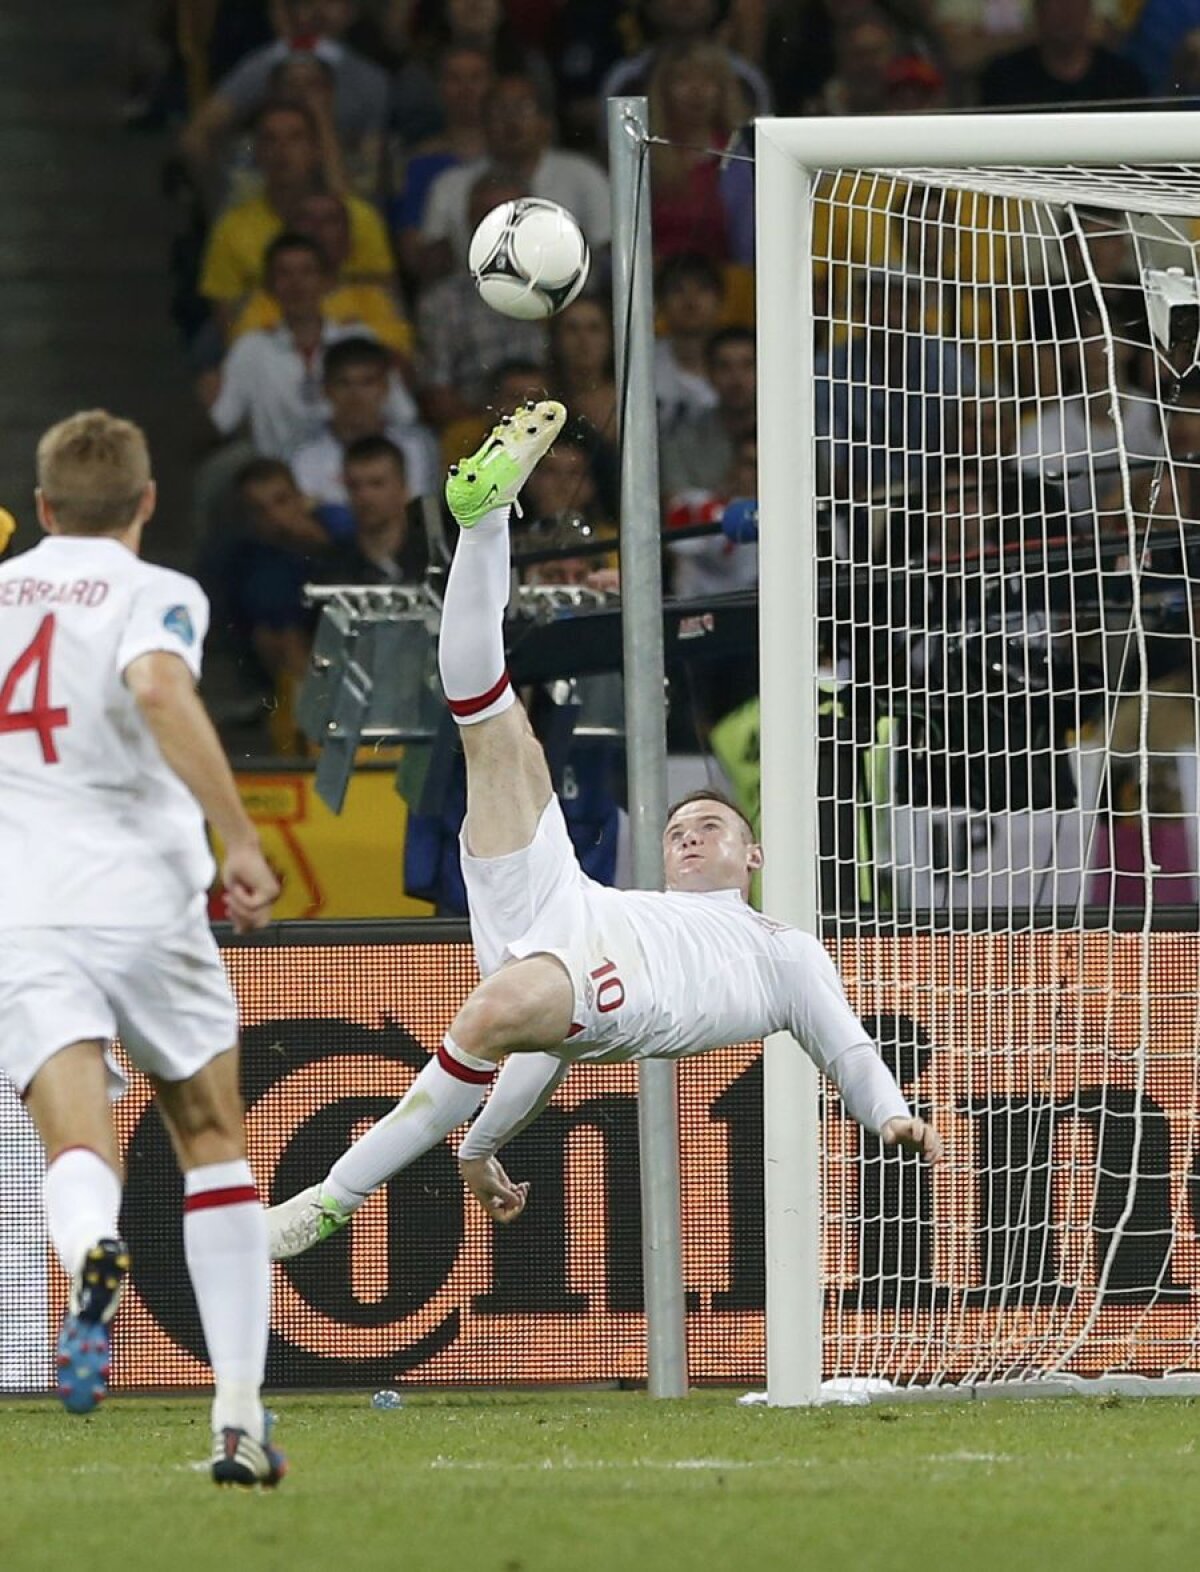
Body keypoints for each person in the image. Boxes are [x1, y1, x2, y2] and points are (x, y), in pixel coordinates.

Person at [265, 399, 943, 1262]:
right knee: (495, 724)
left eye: (710, 825)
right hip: (574, 904)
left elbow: (845, 1047)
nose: (691, 835)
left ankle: (330, 1200)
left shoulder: (782, 950)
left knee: (502, 1010)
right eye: (680, 829)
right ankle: (484, 524)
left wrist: (888, 1114)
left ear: (754, 856)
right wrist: (478, 1147)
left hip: (631, 992)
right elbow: (540, 1053)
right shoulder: (639, 902)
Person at [0, 411, 284, 1484]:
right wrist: (242, 837)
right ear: (147, 501)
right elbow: (160, 687)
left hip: (22, 903)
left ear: (42, 507)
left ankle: (89, 1255)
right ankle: (240, 1420)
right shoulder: (152, 591)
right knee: (211, 1133)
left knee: (75, 1141)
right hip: (144, 899)